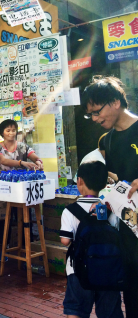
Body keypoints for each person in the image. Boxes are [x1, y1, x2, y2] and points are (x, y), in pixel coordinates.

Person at [82, 75, 138, 317]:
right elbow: (117, 183)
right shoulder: (107, 141)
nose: (95, 119)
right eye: (91, 114)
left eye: (97, 111)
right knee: (133, 289)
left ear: (115, 102)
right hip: (128, 228)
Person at [60, 161, 123, 318]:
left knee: (76, 310)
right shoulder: (111, 210)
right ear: (103, 184)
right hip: (109, 270)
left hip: (79, 270)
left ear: (79, 181)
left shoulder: (70, 210)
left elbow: (65, 241)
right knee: (110, 313)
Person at [0, 119, 43, 260]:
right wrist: (22, 163)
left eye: (13, 130)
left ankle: (27, 248)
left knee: (23, 217)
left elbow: (33, 156)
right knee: (5, 218)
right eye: (8, 130)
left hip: (21, 189)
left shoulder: (22, 147)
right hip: (5, 188)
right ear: (2, 132)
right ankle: (5, 249)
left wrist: (38, 161)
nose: (11, 133)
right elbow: (3, 161)